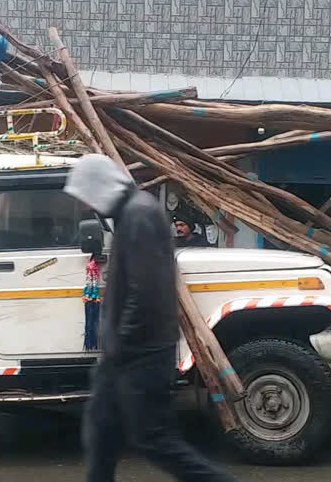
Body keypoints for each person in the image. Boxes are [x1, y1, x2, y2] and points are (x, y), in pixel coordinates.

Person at [64, 155, 239, 482]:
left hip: (140, 354)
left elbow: (144, 292)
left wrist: (122, 344)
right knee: (102, 433)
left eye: (87, 196)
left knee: (155, 441)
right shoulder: (129, 213)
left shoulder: (138, 215)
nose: (87, 205)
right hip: (125, 353)